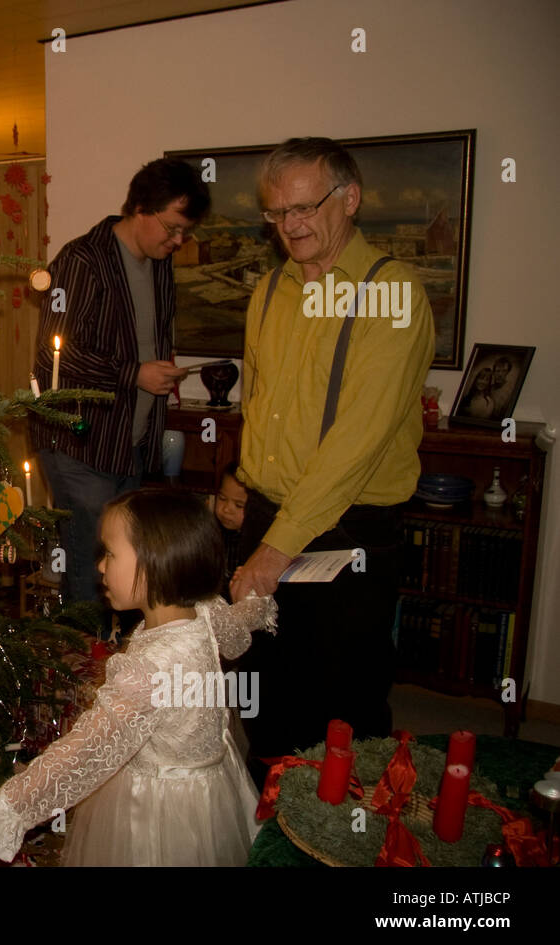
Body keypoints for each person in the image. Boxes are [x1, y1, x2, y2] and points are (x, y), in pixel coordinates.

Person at [231, 137, 434, 782]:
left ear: (350, 199)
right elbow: (261, 402)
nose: (290, 225)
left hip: (346, 537)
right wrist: (242, 481)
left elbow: (357, 443)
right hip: (268, 519)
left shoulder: (392, 296)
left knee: (339, 711)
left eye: (303, 207)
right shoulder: (267, 290)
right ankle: (270, 836)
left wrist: (275, 549)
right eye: (276, 213)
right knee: (263, 695)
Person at [0, 489, 276, 866]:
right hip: (214, 788)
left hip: (161, 811)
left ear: (157, 561)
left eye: (110, 554)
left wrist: (4, 808)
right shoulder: (204, 610)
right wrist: (257, 602)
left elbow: (86, 751)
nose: (101, 567)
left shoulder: (151, 670)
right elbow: (238, 630)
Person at [30, 158, 210, 605]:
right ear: (141, 208)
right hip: (79, 440)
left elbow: (144, 339)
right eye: (171, 228)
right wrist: (136, 374)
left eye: (185, 232)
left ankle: (113, 661)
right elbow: (55, 353)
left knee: (126, 564)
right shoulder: (81, 260)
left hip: (129, 441)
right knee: (89, 564)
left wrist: (157, 371)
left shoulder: (159, 263)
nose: (178, 240)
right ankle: (81, 664)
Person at [212, 462, 248, 598]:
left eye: (238, 505)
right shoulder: (210, 532)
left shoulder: (256, 543)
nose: (227, 509)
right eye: (222, 498)